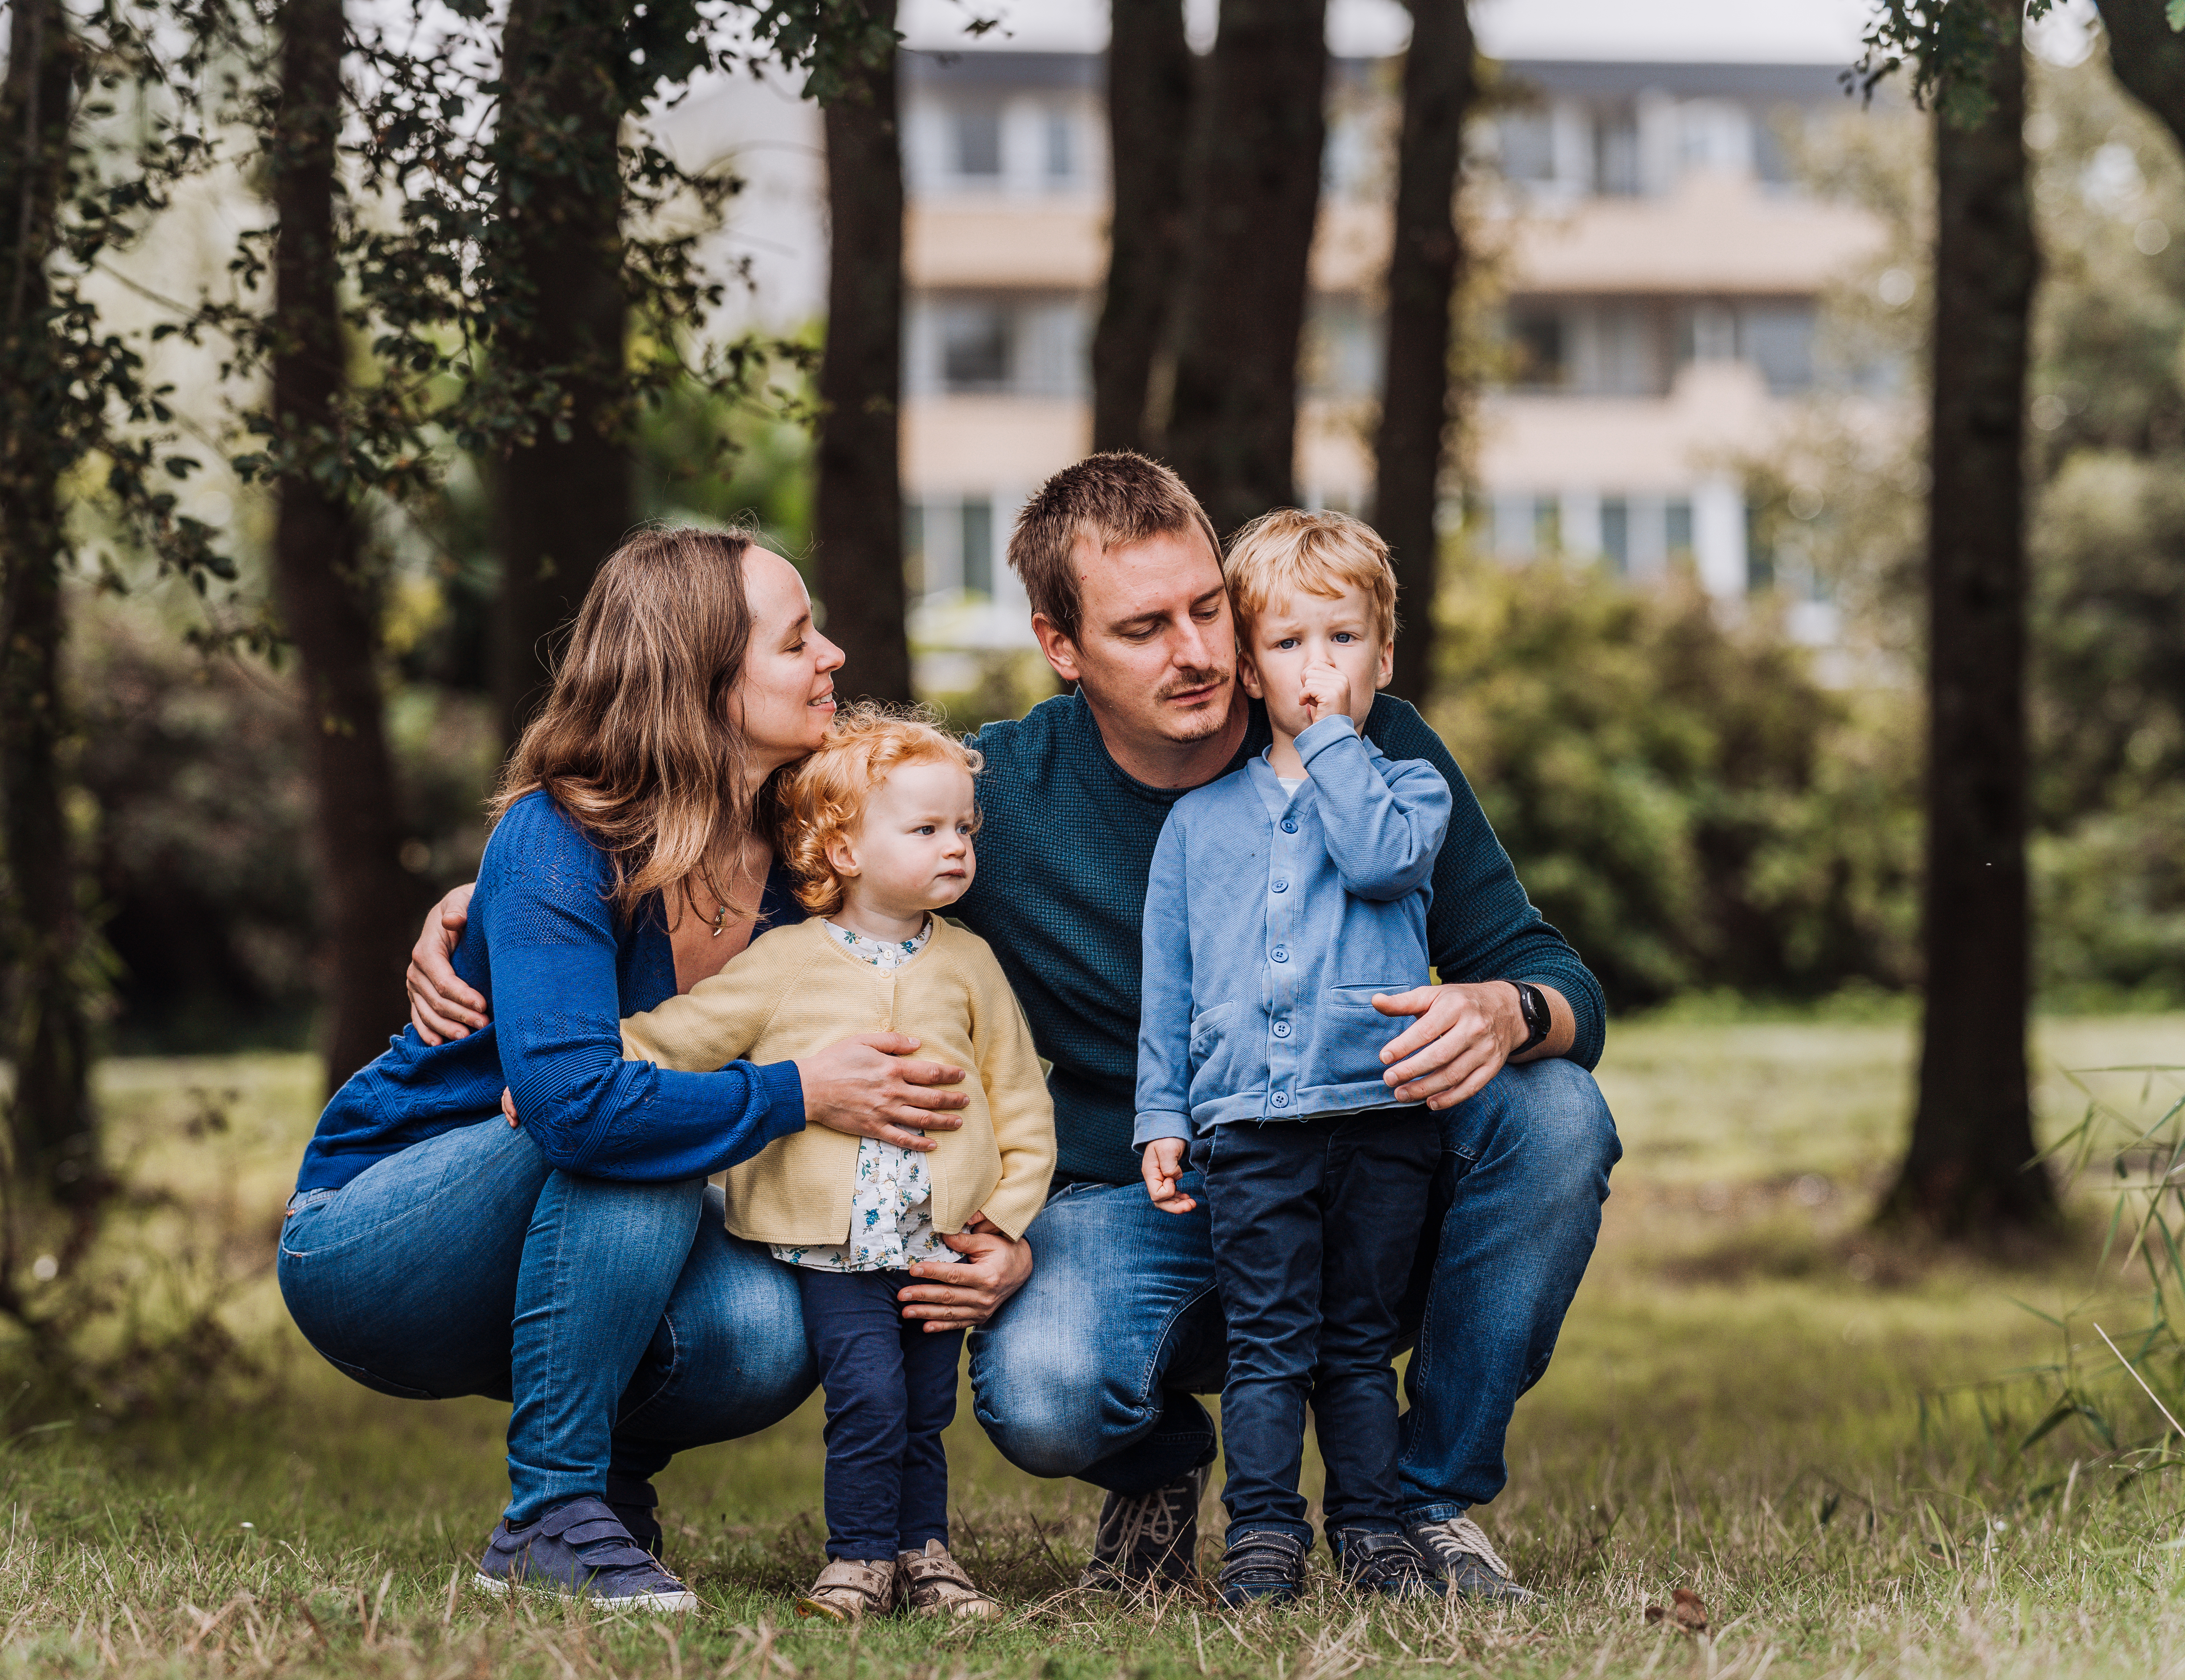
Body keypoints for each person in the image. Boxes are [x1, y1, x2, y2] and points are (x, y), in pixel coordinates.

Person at [408, 454, 1619, 1600]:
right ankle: (1154, 1461)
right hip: (1132, 1204)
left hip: (1367, 1172)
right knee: (1044, 1393)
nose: (1199, 654)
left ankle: (1424, 1502)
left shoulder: (1369, 745)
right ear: (1060, 647)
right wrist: (501, 899)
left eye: (1208, 609)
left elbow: (1553, 973)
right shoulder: (985, 805)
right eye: (1144, 629)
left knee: (1557, 1110)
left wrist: (1510, 1010)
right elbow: (752, 828)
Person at [278, 527, 981, 1613]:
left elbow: (956, 852)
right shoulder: (558, 838)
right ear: (699, 680)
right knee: (621, 1122)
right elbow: (579, 1115)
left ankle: (607, 1489)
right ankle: (549, 1513)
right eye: (798, 642)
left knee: (771, 1331)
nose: (834, 654)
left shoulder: (812, 866)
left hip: (575, 1231)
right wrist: (799, 1092)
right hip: (379, 1236)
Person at [619, 706, 1053, 1621]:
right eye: (927, 828)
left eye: (965, 828)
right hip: (837, 1246)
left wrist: (1003, 1219)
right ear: (844, 849)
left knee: (927, 1408)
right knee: (867, 1397)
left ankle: (925, 1554)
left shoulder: (971, 964)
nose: (956, 847)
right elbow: (687, 1033)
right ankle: (857, 1559)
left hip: (941, 1243)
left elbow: (1020, 1102)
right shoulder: (785, 961)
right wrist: (585, 1061)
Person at [1134, 509, 1451, 1606]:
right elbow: (1166, 993)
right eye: (1288, 644)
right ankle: (1263, 1539)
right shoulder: (1198, 823)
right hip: (1254, 1135)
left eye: (1343, 640)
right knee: (1269, 1347)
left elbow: (1375, 864)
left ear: (1386, 656)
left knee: (1359, 1347)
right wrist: (1161, 1118)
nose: (1317, 669)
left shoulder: (1410, 794)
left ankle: (1374, 1531)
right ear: (1250, 668)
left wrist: (1329, 747)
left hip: (1382, 1119)